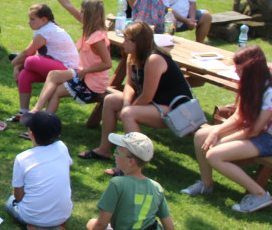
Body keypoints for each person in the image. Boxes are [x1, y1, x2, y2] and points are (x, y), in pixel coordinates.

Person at [183, 45, 272, 213]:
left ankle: (260, 194)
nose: (236, 72)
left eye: (239, 69)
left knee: (214, 154)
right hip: (255, 130)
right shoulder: (252, 83)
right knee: (201, 135)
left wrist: (222, 140)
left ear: (252, 69)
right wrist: (215, 132)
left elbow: (256, 130)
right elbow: (238, 117)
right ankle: (206, 185)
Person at [78, 21, 192, 164]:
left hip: (175, 108)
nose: (123, 42)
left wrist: (128, 109)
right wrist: (126, 104)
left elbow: (147, 96)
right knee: (110, 100)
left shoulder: (154, 59)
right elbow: (130, 86)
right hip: (154, 104)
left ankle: (135, 162)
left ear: (138, 42)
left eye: (127, 40)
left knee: (128, 114)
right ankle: (104, 149)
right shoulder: (132, 57)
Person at [70, 132, 189, 230]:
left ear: (131, 161)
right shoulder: (157, 187)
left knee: (92, 223)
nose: (115, 155)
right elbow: (170, 229)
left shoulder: (117, 183)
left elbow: (101, 224)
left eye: (118, 152)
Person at [33, 0, 111, 110]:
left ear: (89, 15)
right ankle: (38, 112)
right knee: (53, 76)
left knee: (55, 89)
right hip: (84, 74)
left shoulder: (97, 39)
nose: (79, 13)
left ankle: (38, 114)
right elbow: (67, 5)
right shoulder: (89, 28)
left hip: (92, 84)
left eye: (82, 12)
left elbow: (107, 63)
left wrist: (86, 71)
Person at [7, 112, 73, 230]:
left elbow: (18, 196)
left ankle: (37, 225)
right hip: (63, 214)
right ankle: (55, 225)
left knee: (10, 202)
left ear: (31, 133)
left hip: (30, 215)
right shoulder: (62, 147)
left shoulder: (22, 158)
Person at [9, 4, 80, 118]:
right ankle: (24, 111)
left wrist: (14, 63)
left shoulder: (47, 31)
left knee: (30, 62)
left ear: (43, 20)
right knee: (25, 74)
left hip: (67, 70)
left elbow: (27, 53)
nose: (29, 22)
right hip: (53, 66)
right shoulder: (41, 29)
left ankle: (38, 114)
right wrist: (18, 68)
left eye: (32, 19)